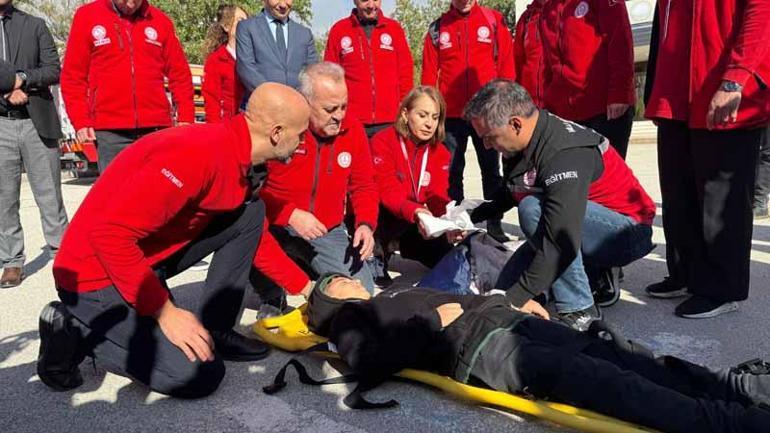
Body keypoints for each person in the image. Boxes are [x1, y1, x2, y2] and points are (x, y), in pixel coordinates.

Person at [37, 83, 311, 398]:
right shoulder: (197, 156)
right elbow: (110, 236)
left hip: (139, 258)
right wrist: (165, 312)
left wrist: (307, 289)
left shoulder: (237, 157)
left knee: (249, 214)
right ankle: (72, 327)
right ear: (277, 132)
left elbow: (252, 235)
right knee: (196, 374)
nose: (302, 143)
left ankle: (217, 329)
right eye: (300, 134)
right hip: (94, 274)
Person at [290, 274, 770, 433]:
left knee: (623, 353)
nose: (348, 275)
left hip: (507, 321)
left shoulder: (388, 294)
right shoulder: (352, 321)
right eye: (337, 280)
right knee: (607, 382)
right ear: (332, 298)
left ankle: (737, 388)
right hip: (484, 349)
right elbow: (366, 363)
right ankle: (731, 421)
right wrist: (436, 321)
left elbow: (462, 301)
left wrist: (508, 301)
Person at [464, 80, 655, 331]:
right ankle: (594, 271)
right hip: (577, 222)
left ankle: (580, 310)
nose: (487, 145)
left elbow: (559, 242)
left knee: (533, 210)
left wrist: (517, 298)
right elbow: (514, 189)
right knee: (501, 296)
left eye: (489, 137)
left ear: (515, 124)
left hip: (628, 233)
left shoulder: (563, 152)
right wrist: (468, 216)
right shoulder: (523, 142)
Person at [643, 0, 770, 318]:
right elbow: (664, 28)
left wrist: (735, 79)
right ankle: (686, 274)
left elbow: (761, 12)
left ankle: (721, 289)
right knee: (678, 192)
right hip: (675, 96)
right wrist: (655, 93)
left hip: (721, 88)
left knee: (720, 200)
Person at [255, 62, 379, 300]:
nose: (340, 116)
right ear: (306, 102)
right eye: (331, 109)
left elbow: (364, 185)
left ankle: (304, 262)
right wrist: (290, 214)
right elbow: (252, 192)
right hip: (275, 223)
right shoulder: (283, 128)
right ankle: (271, 296)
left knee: (362, 290)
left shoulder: (353, 130)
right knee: (247, 238)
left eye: (343, 106)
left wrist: (365, 224)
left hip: (325, 229)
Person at [60, 0, 193, 173]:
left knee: (158, 193)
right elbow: (73, 75)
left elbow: (180, 74)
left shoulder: (160, 21)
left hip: (156, 128)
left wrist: (186, 117)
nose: (130, 4)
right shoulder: (87, 17)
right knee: (117, 195)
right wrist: (80, 120)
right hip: (110, 131)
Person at [421, 0, 515, 243]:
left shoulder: (493, 21)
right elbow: (429, 75)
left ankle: (494, 224)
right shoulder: (437, 28)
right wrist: (429, 112)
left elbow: (506, 66)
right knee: (451, 172)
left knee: (491, 170)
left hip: (486, 113)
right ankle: (456, 224)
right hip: (451, 116)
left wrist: (504, 105)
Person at [0, 0, 68, 289]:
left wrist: (22, 79)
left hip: (36, 120)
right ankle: (12, 261)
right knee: (3, 199)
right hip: (1, 122)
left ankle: (64, 256)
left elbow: (53, 69)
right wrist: (6, 91)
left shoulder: (35, 25)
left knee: (50, 194)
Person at [370, 86, 454, 283]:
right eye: (423, 115)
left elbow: (437, 195)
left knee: (448, 258)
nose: (429, 124)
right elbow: (386, 191)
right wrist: (416, 211)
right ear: (406, 114)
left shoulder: (440, 151)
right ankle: (377, 255)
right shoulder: (383, 141)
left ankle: (408, 246)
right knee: (377, 205)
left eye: (435, 117)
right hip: (388, 215)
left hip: (414, 219)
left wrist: (450, 222)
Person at [539, 0, 636, 159]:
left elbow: (620, 40)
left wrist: (620, 93)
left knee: (606, 179)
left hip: (604, 110)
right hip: (565, 115)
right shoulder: (548, 11)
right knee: (576, 180)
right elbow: (549, 66)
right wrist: (547, 108)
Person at [324, 0, 413, 138]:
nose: (371, 5)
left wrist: (406, 108)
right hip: (352, 121)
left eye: (376, 0)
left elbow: (405, 73)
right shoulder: (339, 30)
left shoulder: (394, 29)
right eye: (365, 0)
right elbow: (329, 76)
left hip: (390, 121)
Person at [236, 0, 318, 104]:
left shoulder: (304, 34)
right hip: (261, 109)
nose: (283, 5)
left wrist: (296, 102)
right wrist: (275, 100)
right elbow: (247, 69)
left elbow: (312, 72)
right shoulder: (247, 28)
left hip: (296, 110)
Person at [202, 4, 248, 123]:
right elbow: (211, 99)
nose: (245, 25)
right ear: (226, 26)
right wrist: (215, 131)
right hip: (226, 126)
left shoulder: (253, 58)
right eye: (240, 21)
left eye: (247, 21)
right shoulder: (216, 60)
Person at [513, 0, 545, 107]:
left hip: (557, 102)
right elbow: (517, 60)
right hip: (529, 102)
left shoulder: (564, 13)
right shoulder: (526, 18)